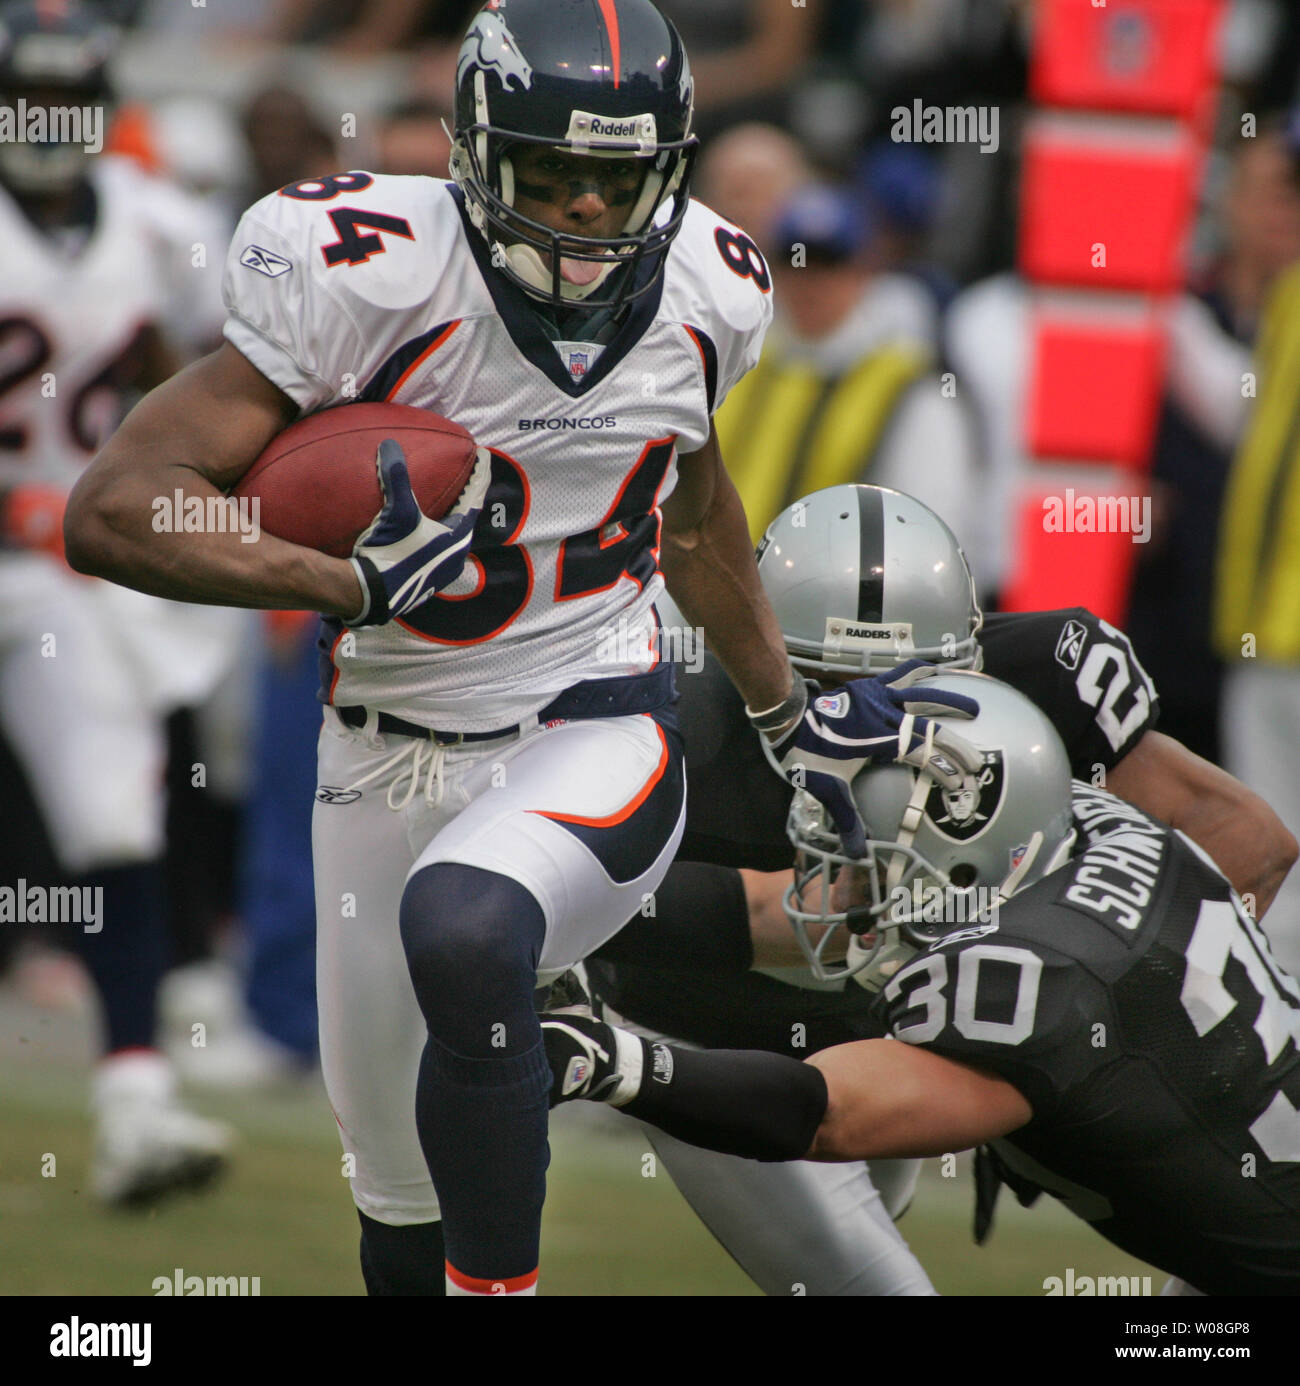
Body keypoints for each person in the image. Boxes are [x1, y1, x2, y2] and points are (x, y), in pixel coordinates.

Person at [64, 0, 976, 1296]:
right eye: (556, 173)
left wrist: (780, 715)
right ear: (480, 152)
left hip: (593, 716)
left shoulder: (711, 286)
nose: (590, 213)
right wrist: (335, 576)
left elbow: (699, 514)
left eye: (618, 180)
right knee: (396, 1205)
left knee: (471, 924)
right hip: (380, 752)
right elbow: (118, 505)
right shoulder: (363, 271)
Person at [579, 483, 1296, 1295]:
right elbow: (781, 915)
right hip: (736, 1032)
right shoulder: (669, 716)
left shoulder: (1045, 965)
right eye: (821, 681)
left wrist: (1061, 1050)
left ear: (973, 667)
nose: (865, 725)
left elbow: (1250, 845)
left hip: (904, 1045)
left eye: (904, 689)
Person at [0, 0, 236, 1206]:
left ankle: (136, 1102)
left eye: (64, 100)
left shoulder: (157, 225)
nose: (44, 125)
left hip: (58, 571)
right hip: (28, 542)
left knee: (114, 826)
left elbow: (235, 378)